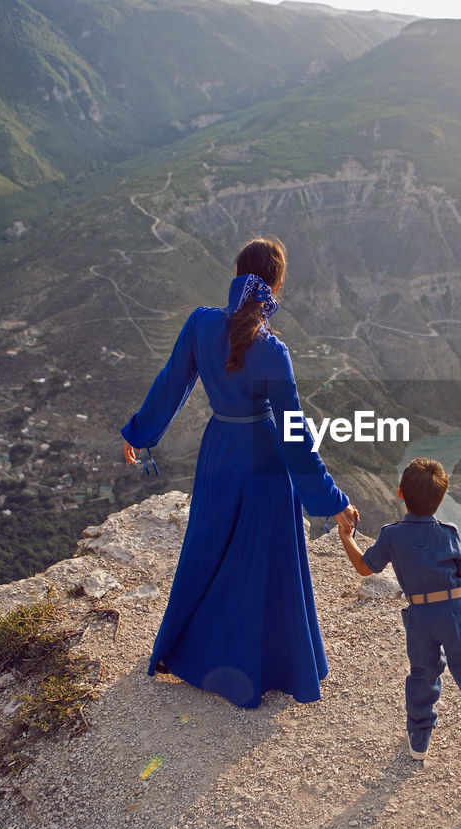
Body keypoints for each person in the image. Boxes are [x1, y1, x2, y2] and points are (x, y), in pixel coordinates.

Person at [121, 236, 358, 709]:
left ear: (234, 273)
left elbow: (172, 382)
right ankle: (255, 667)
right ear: (276, 284)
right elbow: (295, 437)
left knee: (207, 551)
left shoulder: (200, 324)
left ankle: (183, 650)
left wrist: (140, 433)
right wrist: (332, 501)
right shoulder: (274, 351)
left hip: (218, 451)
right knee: (258, 566)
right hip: (264, 463)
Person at [336, 457, 461, 778]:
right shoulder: (450, 533)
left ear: (400, 494)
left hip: (420, 615)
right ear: (440, 500)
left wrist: (347, 537)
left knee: (423, 673)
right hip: (456, 611)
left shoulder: (391, 536)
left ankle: (419, 735)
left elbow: (364, 568)